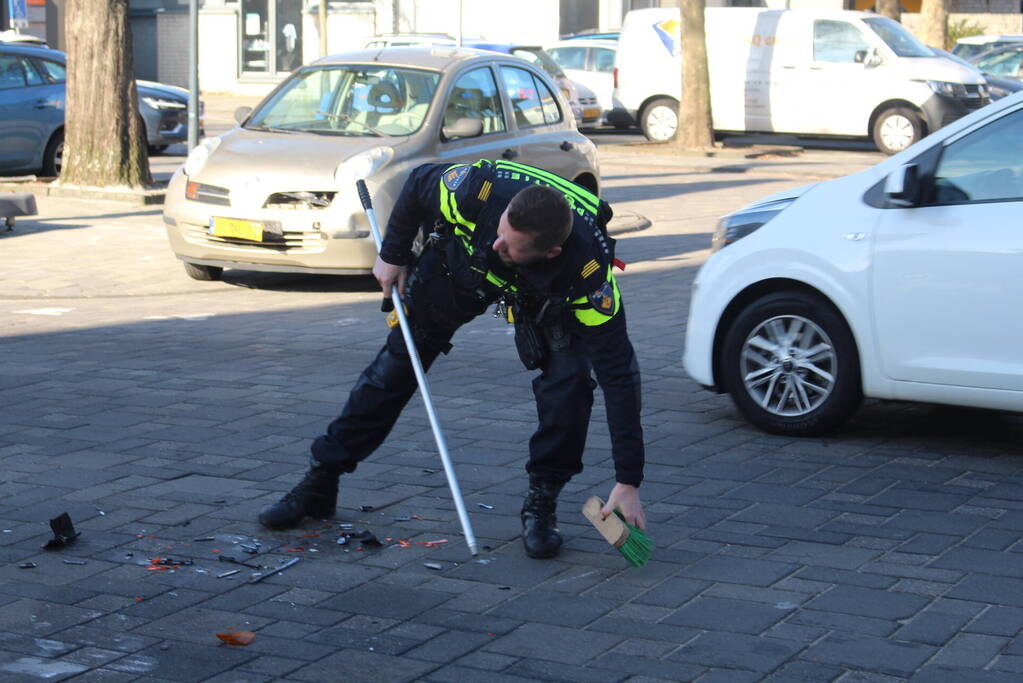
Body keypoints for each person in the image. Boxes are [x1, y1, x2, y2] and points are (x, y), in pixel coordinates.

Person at [259, 159, 646, 558]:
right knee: (394, 368)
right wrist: (392, 254)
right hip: (461, 266)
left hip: (544, 296)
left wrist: (628, 481)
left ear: (551, 252)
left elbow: (619, 375)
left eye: (510, 245)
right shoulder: (475, 190)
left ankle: (541, 504)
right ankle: (321, 481)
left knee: (570, 385)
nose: (499, 245)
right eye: (501, 232)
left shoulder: (587, 276)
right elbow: (417, 183)